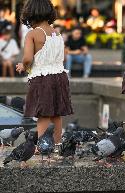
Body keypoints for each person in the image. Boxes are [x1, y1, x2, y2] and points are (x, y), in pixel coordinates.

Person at [16, 0, 73, 144]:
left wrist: (23, 65)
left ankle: (43, 145)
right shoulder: (57, 33)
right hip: (60, 76)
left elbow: (28, 58)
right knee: (56, 113)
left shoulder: (33, 34)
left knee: (43, 113)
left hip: (42, 79)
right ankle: (57, 143)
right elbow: (64, 56)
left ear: (30, 14)